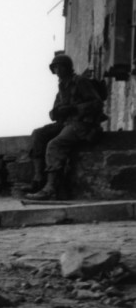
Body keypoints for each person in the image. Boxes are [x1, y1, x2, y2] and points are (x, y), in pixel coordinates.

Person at [24, 53, 105, 201]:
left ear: (67, 67)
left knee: (54, 145)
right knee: (38, 134)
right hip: (67, 123)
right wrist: (57, 112)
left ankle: (50, 188)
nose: (57, 70)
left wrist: (74, 108)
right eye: (55, 68)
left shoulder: (80, 82)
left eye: (60, 67)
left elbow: (97, 103)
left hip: (83, 125)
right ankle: (38, 179)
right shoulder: (62, 87)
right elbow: (53, 113)